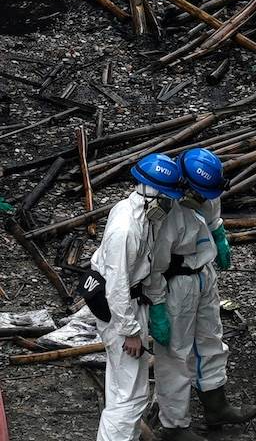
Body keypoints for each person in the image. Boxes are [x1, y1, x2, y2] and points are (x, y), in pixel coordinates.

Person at [149, 148, 256, 441]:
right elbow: (153, 266)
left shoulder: (207, 188)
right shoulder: (164, 210)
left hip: (203, 275)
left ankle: (216, 405)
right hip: (176, 283)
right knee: (175, 355)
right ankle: (174, 425)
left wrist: (219, 236)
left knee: (211, 340)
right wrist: (157, 305)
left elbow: (212, 216)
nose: (204, 200)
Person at [84, 153, 183, 441]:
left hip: (131, 301)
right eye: (168, 197)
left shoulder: (146, 218)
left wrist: (156, 303)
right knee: (129, 395)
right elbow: (116, 284)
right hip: (120, 306)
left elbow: (148, 264)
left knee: (123, 388)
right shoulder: (126, 228)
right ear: (151, 193)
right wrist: (129, 332)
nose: (172, 203)